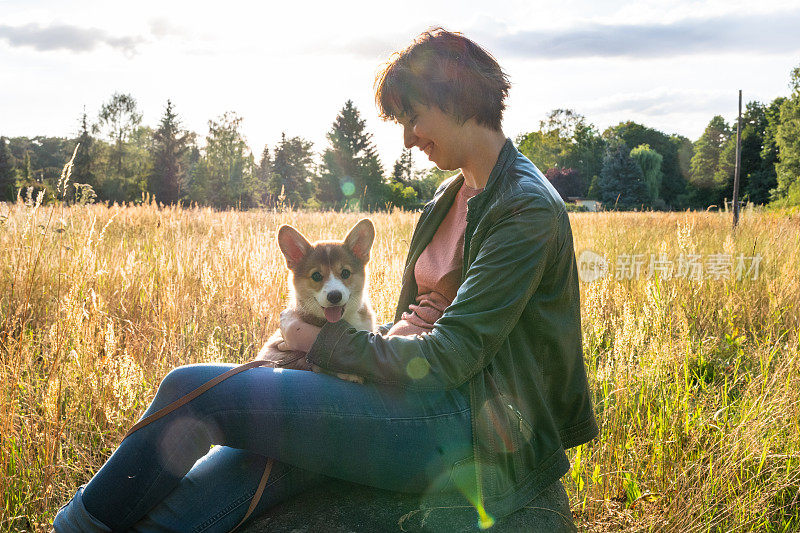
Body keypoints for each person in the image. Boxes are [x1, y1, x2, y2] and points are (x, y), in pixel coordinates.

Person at [54, 28, 597, 532]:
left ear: (455, 98)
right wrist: (351, 352)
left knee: (191, 389)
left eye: (414, 117)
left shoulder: (525, 209)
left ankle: (72, 528)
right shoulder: (452, 194)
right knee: (249, 461)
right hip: (408, 389)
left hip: (466, 422)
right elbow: (420, 319)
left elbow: (454, 355)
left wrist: (323, 344)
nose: (408, 139)